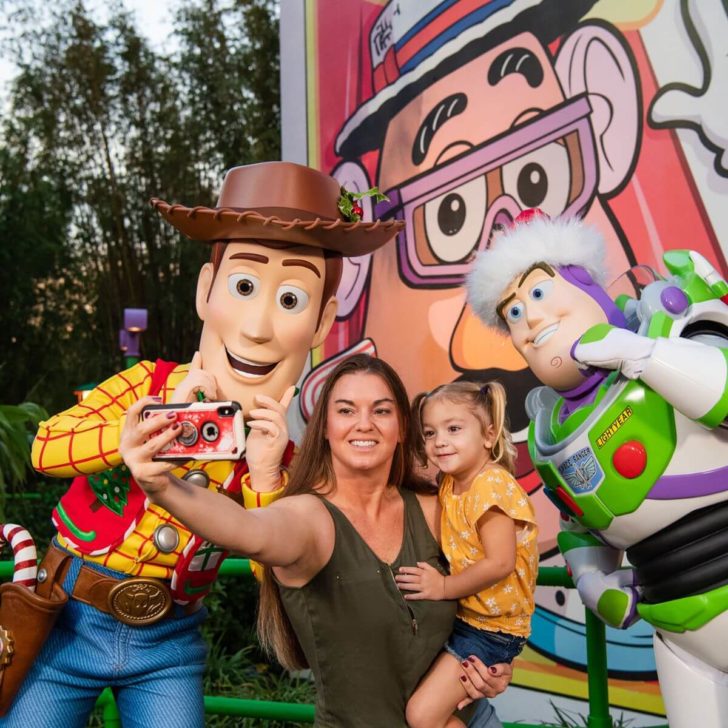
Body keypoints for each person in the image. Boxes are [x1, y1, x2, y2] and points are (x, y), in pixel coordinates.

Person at [6, 162, 402, 727]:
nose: (259, 326)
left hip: (169, 641)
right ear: (205, 291)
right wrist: (131, 437)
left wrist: (265, 481)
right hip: (68, 617)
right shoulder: (146, 384)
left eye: (291, 299)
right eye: (243, 287)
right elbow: (44, 446)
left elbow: (280, 583)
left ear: (321, 323)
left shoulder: (281, 457)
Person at [119, 353, 514, 728]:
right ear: (324, 428)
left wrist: (495, 661)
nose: (364, 424)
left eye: (381, 410)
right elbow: (247, 529)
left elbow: (496, 592)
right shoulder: (310, 518)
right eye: (346, 411)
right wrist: (160, 486)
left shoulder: (439, 508)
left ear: (402, 429)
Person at [465, 209, 728, 728]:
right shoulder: (551, 430)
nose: (529, 321)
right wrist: (591, 579)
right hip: (674, 622)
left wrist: (643, 355)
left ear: (583, 283)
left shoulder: (671, 331)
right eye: (513, 314)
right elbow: (576, 518)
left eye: (537, 295)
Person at [397, 381, 538, 728]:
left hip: (491, 630)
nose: (439, 441)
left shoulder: (489, 484)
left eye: (454, 429)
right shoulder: (451, 482)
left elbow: (500, 561)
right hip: (469, 621)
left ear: (488, 436)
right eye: (430, 433)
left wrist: (444, 587)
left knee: (422, 715)